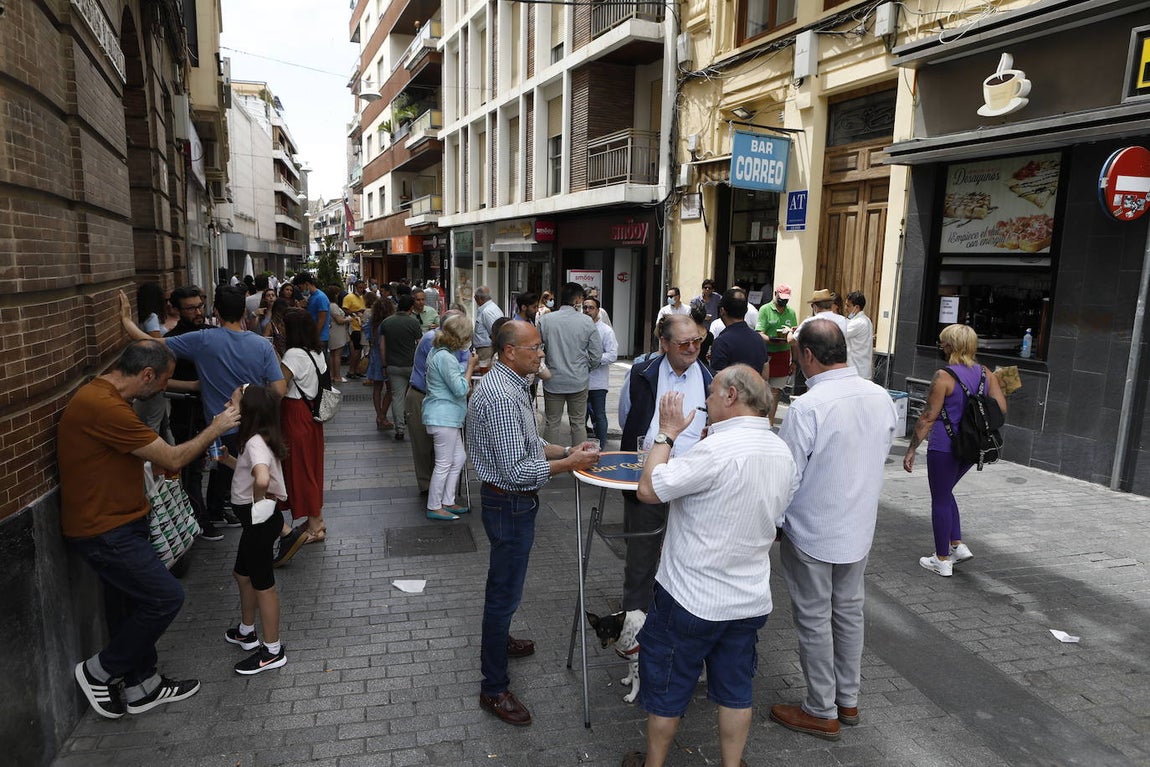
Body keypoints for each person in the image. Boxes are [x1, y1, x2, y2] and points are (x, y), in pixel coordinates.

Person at [621, 366, 797, 767]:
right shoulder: (780, 450)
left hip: (689, 596)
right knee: (736, 690)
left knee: (667, 690)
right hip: (748, 598)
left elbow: (649, 489)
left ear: (732, 396)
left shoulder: (715, 450)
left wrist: (666, 433)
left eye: (712, 395)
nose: (707, 403)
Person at [61, 340, 240, 719]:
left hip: (122, 520)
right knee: (165, 597)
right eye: (163, 381)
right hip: (105, 529)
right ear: (146, 375)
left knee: (131, 603)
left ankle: (143, 686)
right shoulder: (104, 405)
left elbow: (123, 455)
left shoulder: (107, 396)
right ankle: (100, 670)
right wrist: (217, 427)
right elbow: (174, 455)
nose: (163, 388)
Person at [769, 320, 899, 742]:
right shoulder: (881, 398)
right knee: (847, 613)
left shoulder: (808, 405)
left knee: (813, 618)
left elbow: (786, 476)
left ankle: (821, 709)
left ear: (806, 355)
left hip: (812, 529)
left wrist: (771, 523)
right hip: (857, 527)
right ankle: (848, 698)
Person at [466, 321, 598, 726]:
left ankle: (500, 639)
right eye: (535, 348)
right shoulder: (503, 393)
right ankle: (494, 687)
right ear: (509, 352)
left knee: (503, 584)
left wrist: (565, 448)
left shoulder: (511, 385)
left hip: (510, 503)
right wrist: (570, 463)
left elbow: (529, 441)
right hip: (509, 502)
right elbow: (519, 470)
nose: (542, 354)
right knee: (503, 591)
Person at [119, 287, 286, 532]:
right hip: (257, 425)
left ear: (216, 312)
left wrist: (125, 320)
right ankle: (267, 530)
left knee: (233, 476)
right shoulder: (261, 345)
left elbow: (150, 343)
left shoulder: (203, 339)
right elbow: (279, 390)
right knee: (251, 479)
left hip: (220, 426)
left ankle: (264, 530)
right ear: (243, 311)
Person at [618, 315, 713, 614]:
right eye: (683, 343)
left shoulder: (712, 380)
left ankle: (678, 621)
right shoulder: (641, 373)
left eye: (697, 341)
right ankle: (634, 629)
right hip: (650, 478)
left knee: (690, 558)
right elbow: (626, 418)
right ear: (664, 343)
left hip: (694, 485)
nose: (692, 348)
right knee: (641, 559)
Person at [903, 323, 1007, 577]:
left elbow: (928, 417)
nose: (940, 346)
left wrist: (911, 449)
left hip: (944, 447)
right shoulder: (986, 374)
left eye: (942, 342)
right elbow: (1001, 410)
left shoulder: (944, 376)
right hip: (973, 447)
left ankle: (942, 559)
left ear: (951, 345)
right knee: (945, 492)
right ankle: (957, 545)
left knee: (939, 498)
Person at [217, 384, 289, 674]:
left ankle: (272, 650)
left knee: (264, 586)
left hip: (258, 522)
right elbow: (251, 473)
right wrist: (228, 461)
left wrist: (258, 500)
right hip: (256, 522)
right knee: (241, 574)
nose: (227, 403)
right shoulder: (256, 440)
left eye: (232, 400)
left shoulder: (255, 442)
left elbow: (261, 477)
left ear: (246, 410)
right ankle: (247, 631)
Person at [164, 286, 219, 540]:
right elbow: (162, 381)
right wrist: (195, 386)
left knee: (223, 461)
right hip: (187, 411)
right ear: (175, 309)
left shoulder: (209, 333)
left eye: (200, 305)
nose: (198, 312)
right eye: (191, 308)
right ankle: (199, 520)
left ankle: (217, 509)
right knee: (192, 470)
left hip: (214, 410)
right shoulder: (173, 340)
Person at [277, 309, 329, 554]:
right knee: (311, 467)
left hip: (295, 413)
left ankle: (316, 525)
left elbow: (279, 386)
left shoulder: (293, 354)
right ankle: (314, 519)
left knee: (301, 469)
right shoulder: (316, 352)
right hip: (312, 414)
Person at [423, 313, 480, 521]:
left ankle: (447, 501)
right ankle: (435, 505)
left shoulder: (439, 351)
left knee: (458, 458)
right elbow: (460, 389)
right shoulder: (445, 357)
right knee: (445, 462)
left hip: (445, 416)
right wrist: (471, 366)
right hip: (443, 416)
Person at [407, 309, 469, 494]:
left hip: (443, 407)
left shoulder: (447, 349)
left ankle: (444, 498)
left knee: (455, 457)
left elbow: (462, 362)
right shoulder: (436, 346)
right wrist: (468, 368)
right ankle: (433, 496)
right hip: (428, 400)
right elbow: (458, 385)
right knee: (429, 453)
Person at [538, 282, 602, 446]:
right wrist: (586, 368)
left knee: (552, 423)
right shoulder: (587, 322)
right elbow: (596, 354)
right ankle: (579, 464)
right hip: (578, 379)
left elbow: (536, 349)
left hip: (553, 379)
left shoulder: (545, 320)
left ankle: (549, 466)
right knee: (578, 423)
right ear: (578, 299)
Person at [380, 294, 422, 441]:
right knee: (415, 396)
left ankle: (399, 429)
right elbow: (420, 344)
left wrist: (384, 364)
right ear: (411, 307)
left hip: (393, 365)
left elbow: (382, 346)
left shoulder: (386, 322)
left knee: (397, 397)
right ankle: (415, 424)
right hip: (411, 365)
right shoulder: (413, 322)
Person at [756, 284, 798, 428]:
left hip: (783, 354)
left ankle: (770, 422)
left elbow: (794, 338)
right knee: (763, 389)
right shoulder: (765, 310)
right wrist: (770, 339)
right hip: (767, 354)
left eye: (786, 299)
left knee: (776, 390)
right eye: (781, 298)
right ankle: (759, 420)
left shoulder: (791, 313)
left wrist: (794, 360)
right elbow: (759, 332)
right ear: (775, 294)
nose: (783, 302)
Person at [583, 296, 618, 447]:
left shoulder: (606, 331)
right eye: (585, 307)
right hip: (580, 381)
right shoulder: (579, 328)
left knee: (599, 416)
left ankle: (601, 446)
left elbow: (612, 355)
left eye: (591, 308)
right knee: (580, 418)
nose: (587, 311)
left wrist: (593, 359)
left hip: (597, 383)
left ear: (598, 310)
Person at [710, 290, 768, 376]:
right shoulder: (759, 338)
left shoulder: (721, 342)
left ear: (722, 311)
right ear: (746, 310)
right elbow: (765, 373)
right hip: (756, 388)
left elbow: (718, 378)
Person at [365, 294, 395, 431]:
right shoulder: (389, 324)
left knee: (377, 388)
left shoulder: (371, 324)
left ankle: (379, 415)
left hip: (375, 356)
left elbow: (369, 339)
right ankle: (382, 416)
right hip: (387, 356)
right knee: (390, 389)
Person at [293, 272, 331, 354]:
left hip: (320, 338)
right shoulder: (312, 297)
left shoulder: (320, 298)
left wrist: (315, 337)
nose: (301, 290)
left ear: (306, 284)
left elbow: (321, 320)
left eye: (300, 287)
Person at [844, 291, 874, 380]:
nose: (845, 308)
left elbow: (840, 333)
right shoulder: (866, 320)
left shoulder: (857, 323)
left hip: (857, 371)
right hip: (862, 370)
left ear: (856, 307)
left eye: (848, 306)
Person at [325, 286, 351, 383]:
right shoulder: (334, 306)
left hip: (333, 331)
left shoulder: (330, 305)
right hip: (337, 332)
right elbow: (339, 320)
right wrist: (348, 319)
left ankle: (333, 375)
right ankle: (337, 376)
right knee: (337, 355)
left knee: (332, 354)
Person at [343, 280, 368, 379]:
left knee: (359, 350)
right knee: (356, 350)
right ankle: (351, 371)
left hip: (362, 327)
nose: (361, 290)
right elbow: (345, 309)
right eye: (360, 288)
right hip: (354, 327)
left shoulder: (362, 297)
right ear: (355, 287)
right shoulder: (349, 297)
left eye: (363, 288)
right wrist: (355, 312)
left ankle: (357, 370)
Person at [473, 286, 503, 364]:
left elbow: (494, 332)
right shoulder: (491, 308)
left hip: (486, 350)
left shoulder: (487, 312)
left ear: (479, 298)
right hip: (486, 349)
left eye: (475, 297)